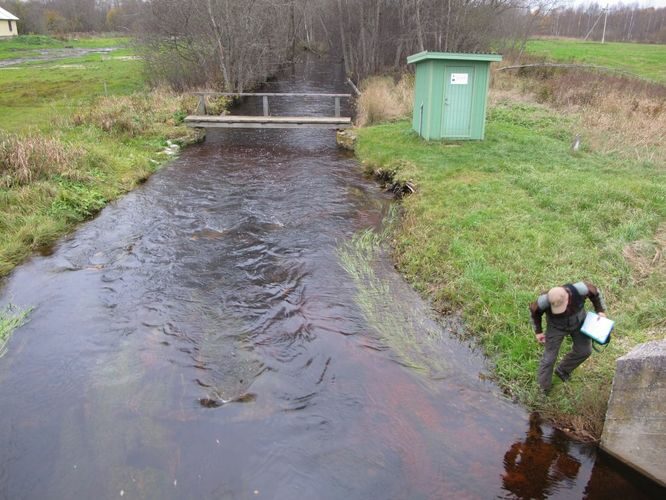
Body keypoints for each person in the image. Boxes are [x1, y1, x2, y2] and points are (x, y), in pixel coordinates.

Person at [529, 282, 607, 393]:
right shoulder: (543, 301)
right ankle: (542, 389)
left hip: (579, 322)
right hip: (556, 327)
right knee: (549, 359)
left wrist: (600, 310)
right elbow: (534, 313)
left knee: (584, 351)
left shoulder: (580, 289)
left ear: (566, 297)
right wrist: (538, 332)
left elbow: (596, 293)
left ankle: (563, 370)